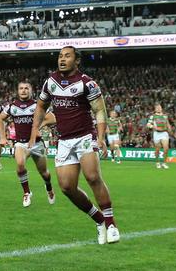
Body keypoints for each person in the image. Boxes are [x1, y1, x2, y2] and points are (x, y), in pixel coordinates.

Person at [31, 46, 120, 245]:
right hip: (64, 141)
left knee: (92, 176)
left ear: (76, 60)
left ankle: (111, 223)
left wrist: (101, 137)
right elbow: (40, 106)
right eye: (60, 56)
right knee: (66, 187)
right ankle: (99, 220)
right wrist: (35, 128)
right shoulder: (50, 82)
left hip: (85, 137)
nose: (62, 59)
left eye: (67, 56)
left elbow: (99, 111)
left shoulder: (87, 83)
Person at [0, 81, 56, 207]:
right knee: (19, 165)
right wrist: (2, 137)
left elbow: (52, 118)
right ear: (18, 91)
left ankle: (49, 187)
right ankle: (26, 192)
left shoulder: (38, 105)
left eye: (26, 88)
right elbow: (0, 119)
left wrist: (39, 126)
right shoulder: (12, 107)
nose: (23, 90)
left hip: (36, 144)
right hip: (21, 143)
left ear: (31, 90)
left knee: (45, 173)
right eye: (21, 88)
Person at [147, 104, 171, 169]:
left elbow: (168, 123)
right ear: (155, 109)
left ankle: (164, 163)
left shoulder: (165, 116)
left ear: (161, 108)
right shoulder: (153, 116)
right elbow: (148, 124)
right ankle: (157, 162)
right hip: (157, 134)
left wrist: (170, 129)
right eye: (157, 108)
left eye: (159, 107)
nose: (158, 108)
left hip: (164, 133)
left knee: (166, 148)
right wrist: (153, 127)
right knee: (157, 149)